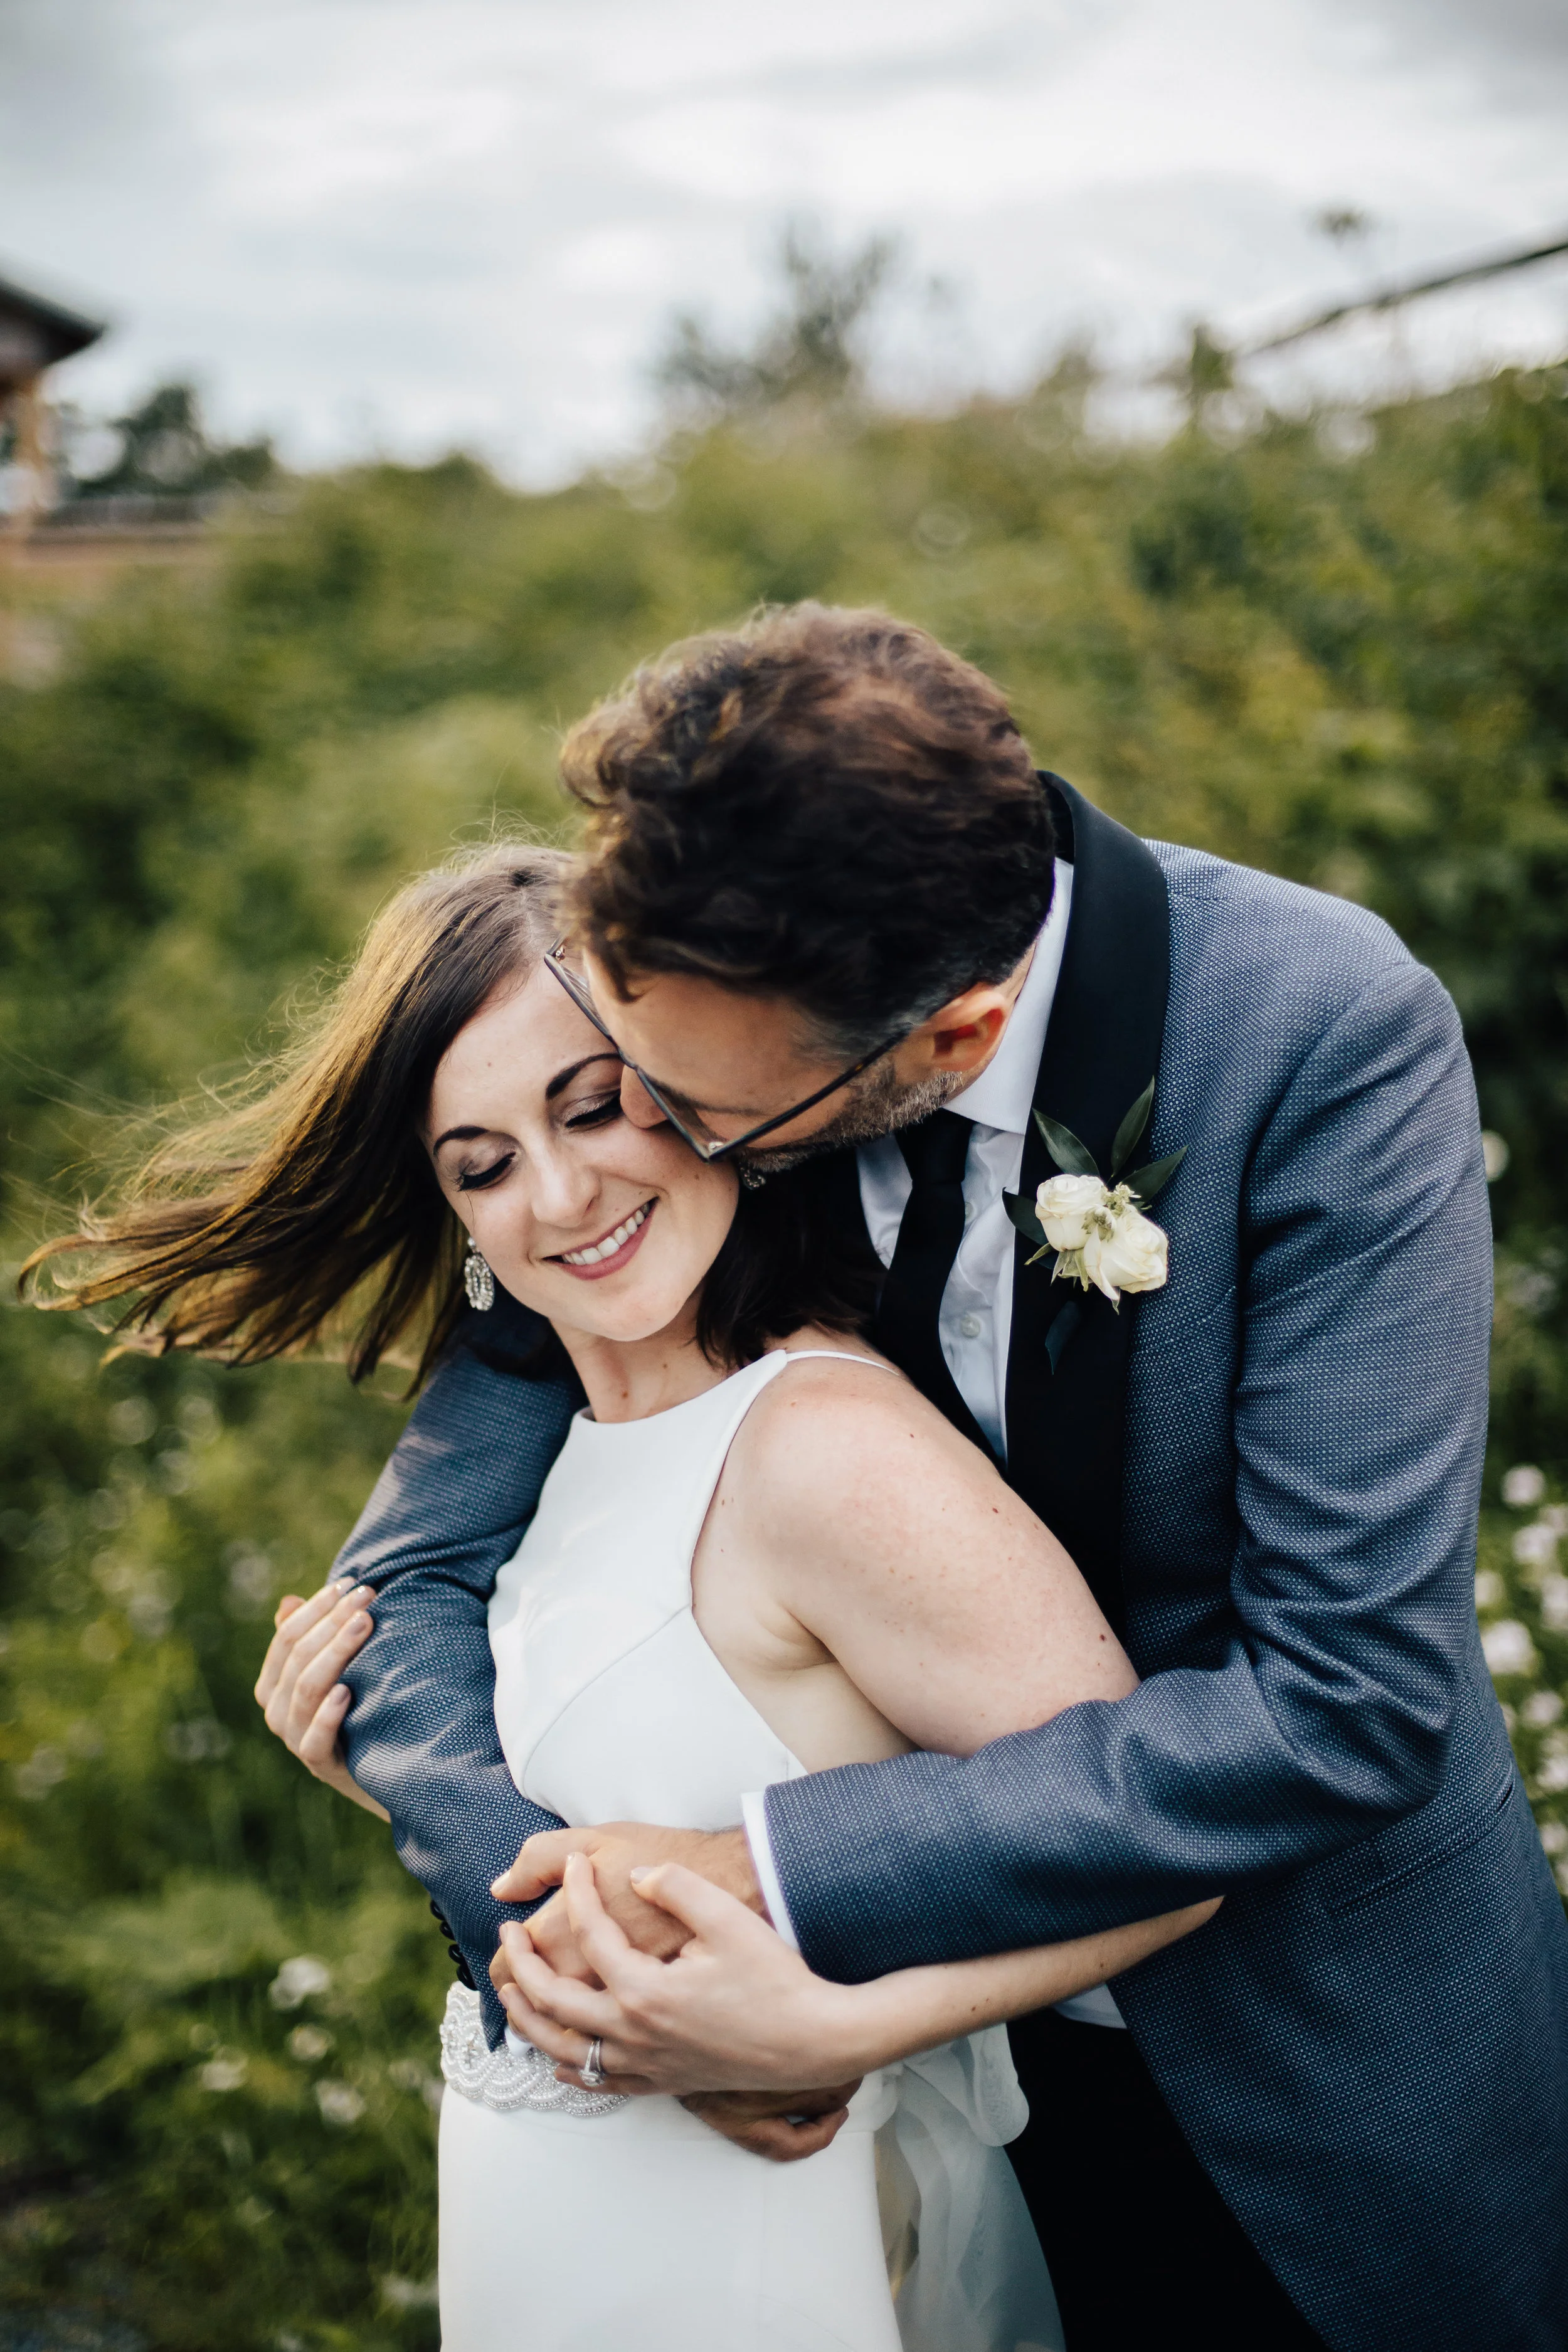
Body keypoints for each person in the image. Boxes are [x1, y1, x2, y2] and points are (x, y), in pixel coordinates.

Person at [267, 604, 1568, 2352]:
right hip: (933, 2100)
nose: (624, 1145)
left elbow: (1344, 1699)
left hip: (1315, 2048)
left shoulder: (1317, 1034)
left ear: (948, 1035)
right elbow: (415, 1567)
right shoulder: (704, 991)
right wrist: (565, 1928)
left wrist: (752, 1871)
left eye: (685, 1115)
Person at [29, 839, 1216, 2351]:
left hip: (752, 2243)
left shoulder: (823, 1452)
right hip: (562, 2237)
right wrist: (365, 1769)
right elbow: (627, 1799)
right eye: (484, 1163)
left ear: (704, 1090)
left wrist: (835, 2030)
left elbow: (1163, 1848)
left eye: (596, 1108)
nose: (560, 1194)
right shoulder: (557, 1453)